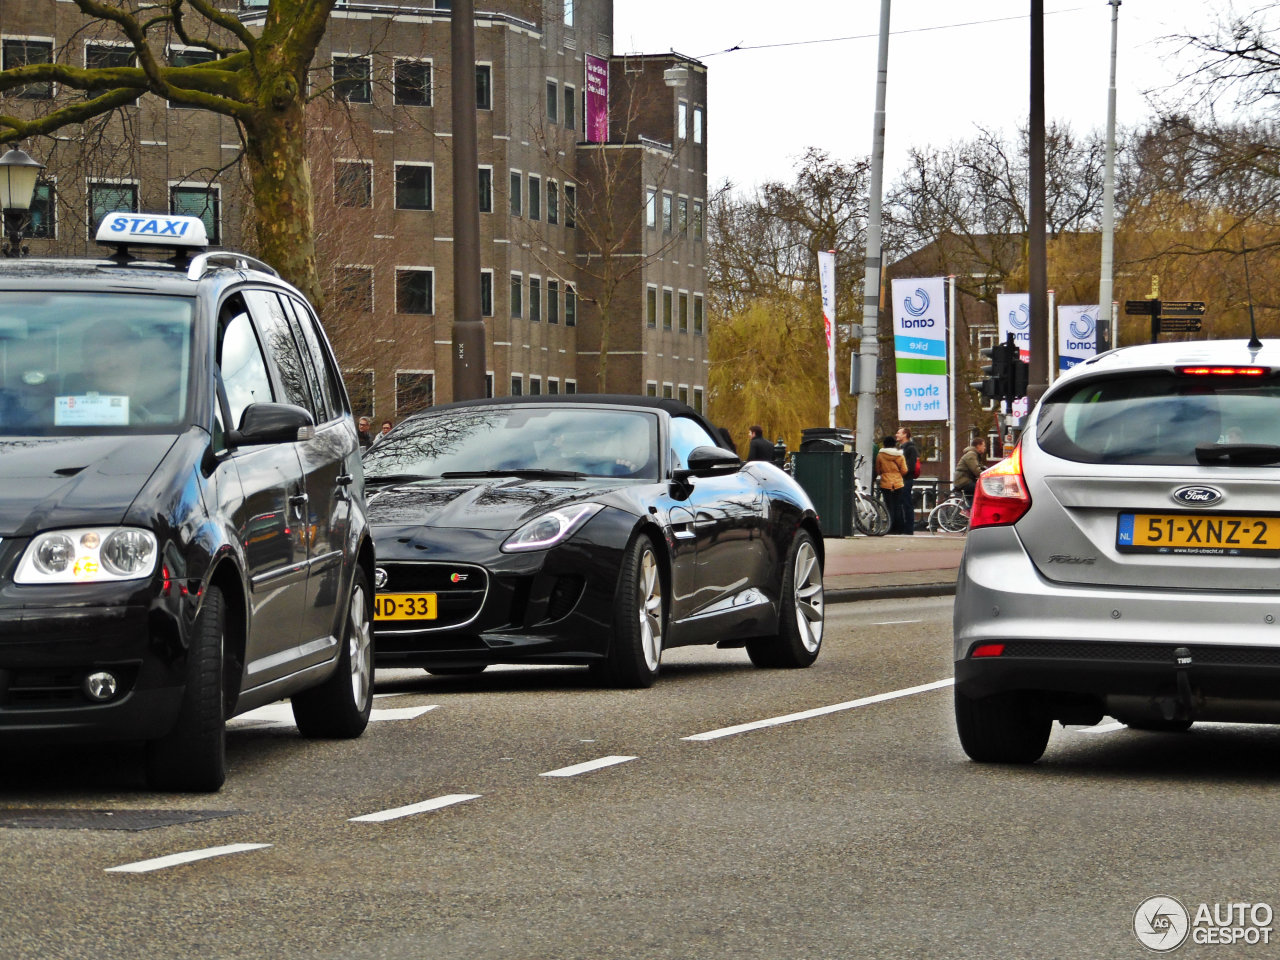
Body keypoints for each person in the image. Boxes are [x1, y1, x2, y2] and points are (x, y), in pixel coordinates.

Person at [876, 434, 908, 535]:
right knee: (898, 505)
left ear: (884, 444)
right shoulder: (900, 455)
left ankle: (889, 528)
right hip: (898, 483)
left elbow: (878, 469)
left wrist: (884, 473)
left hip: (885, 483)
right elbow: (904, 470)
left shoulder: (880, 455)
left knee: (889, 506)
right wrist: (898, 474)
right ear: (894, 444)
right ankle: (899, 529)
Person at [895, 426, 919, 536]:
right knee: (900, 502)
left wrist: (900, 471)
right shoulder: (901, 448)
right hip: (900, 479)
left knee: (906, 503)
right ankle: (901, 527)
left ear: (905, 435)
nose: (897, 434)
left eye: (899, 433)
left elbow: (910, 466)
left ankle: (908, 529)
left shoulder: (910, 448)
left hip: (906, 479)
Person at [953, 435, 988, 503]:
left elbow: (980, 467)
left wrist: (987, 471)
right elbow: (976, 470)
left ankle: (970, 509)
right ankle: (970, 510)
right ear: (978, 446)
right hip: (963, 481)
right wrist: (986, 476)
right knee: (980, 489)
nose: (985, 448)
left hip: (965, 480)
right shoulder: (971, 454)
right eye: (983, 446)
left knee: (973, 497)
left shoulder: (974, 454)